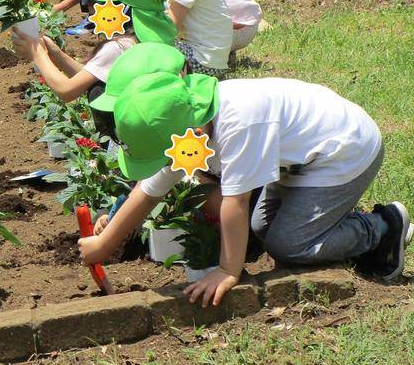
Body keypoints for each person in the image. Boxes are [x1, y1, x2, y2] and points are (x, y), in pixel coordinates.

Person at [79, 66, 411, 309]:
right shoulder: (188, 119)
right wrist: (103, 245)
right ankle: (329, 221)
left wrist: (227, 270)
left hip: (345, 153)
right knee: (262, 227)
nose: (168, 161)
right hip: (300, 160)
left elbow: (235, 202)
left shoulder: (238, 121)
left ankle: (382, 226)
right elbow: (151, 189)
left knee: (289, 246)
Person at [11, 0, 177, 103]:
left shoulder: (119, 48)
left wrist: (37, 53)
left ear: (122, 10)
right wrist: (57, 55)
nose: (91, 8)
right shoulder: (155, 38)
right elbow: (95, 76)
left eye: (100, 2)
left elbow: (67, 91)